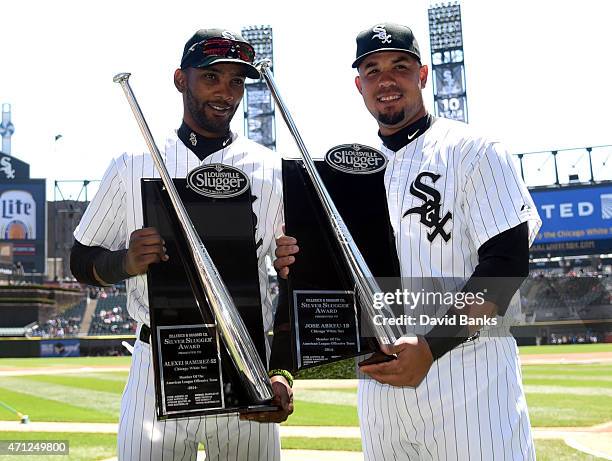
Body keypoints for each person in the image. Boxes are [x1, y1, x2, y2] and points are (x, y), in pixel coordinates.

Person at [275, 23, 541, 460]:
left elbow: (506, 263)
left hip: (467, 377)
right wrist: (297, 261)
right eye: (373, 70)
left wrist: (432, 346)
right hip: (379, 383)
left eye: (399, 66)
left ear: (422, 75)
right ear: (359, 85)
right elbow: (335, 284)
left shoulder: (474, 149)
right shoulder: (349, 177)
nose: (386, 80)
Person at [70, 28, 292, 461]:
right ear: (180, 80)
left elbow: (292, 277)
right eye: (212, 77)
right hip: (156, 360)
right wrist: (125, 263)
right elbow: (81, 260)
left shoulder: (272, 169)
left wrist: (281, 371)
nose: (225, 93)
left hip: (245, 364)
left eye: (236, 82)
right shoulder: (133, 163)